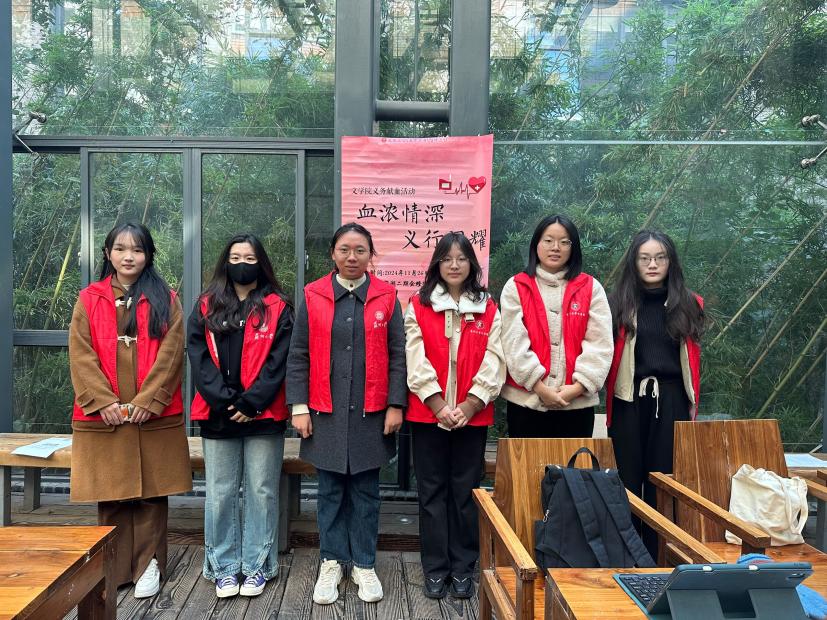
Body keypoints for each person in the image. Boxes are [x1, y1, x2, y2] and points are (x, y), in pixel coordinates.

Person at [286, 223, 407, 605]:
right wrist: (299, 407)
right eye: (344, 250)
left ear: (371, 255)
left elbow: (399, 354)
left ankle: (364, 564)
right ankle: (332, 562)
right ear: (333, 254)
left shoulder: (386, 297)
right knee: (330, 492)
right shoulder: (314, 295)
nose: (352, 257)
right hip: (326, 413)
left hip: (373, 414)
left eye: (359, 250)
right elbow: (299, 354)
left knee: (367, 493)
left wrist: (395, 404)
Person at [69, 222, 191, 598]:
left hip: (152, 415)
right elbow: (80, 353)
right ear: (108, 254)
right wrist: (103, 401)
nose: (128, 257)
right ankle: (115, 566)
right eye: (121, 249)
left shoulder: (166, 299)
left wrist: (147, 401)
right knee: (112, 492)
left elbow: (172, 354)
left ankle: (149, 564)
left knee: (152, 494)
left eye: (137, 250)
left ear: (148, 255)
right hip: (105, 415)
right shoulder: (89, 298)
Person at [187, 234, 293, 598]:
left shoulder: (278, 306)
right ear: (225, 262)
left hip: (263, 414)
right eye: (235, 257)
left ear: (261, 263)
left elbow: (280, 361)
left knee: (262, 491)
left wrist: (251, 404)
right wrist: (224, 401)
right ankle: (224, 567)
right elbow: (199, 357)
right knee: (220, 492)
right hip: (218, 413)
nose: (242, 263)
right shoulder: (207, 305)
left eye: (249, 257)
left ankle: (257, 565)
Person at [405, 232, 506, 600]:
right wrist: (437, 404)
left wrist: (470, 404)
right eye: (447, 258)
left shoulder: (488, 307)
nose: (454, 265)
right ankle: (435, 568)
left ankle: (463, 567)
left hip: (471, 417)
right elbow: (413, 357)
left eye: (462, 258)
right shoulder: (418, 305)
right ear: (437, 263)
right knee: (431, 492)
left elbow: (496, 358)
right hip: (427, 415)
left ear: (472, 265)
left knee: (465, 492)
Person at [606, 230, 704, 554]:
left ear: (670, 262)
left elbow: (693, 360)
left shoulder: (688, 304)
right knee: (627, 481)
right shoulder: (617, 304)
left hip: (671, 400)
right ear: (634, 262)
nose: (652, 264)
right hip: (629, 399)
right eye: (645, 258)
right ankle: (628, 557)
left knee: (663, 483)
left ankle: (660, 556)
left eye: (660, 257)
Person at [500, 214, 613, 438]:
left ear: (573, 247)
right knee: (527, 462)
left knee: (573, 462)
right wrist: (540, 387)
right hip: (526, 403)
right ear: (536, 244)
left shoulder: (591, 288)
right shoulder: (516, 286)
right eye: (548, 240)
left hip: (576, 404)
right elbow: (513, 342)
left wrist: (577, 388)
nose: (555, 248)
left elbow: (600, 344)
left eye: (564, 242)